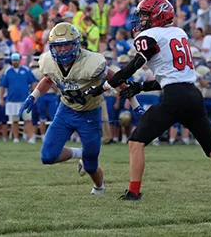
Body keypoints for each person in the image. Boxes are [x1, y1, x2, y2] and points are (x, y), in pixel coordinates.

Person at [85, 0, 211, 202]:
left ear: (157, 16)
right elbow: (170, 78)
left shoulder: (150, 36)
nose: (141, 20)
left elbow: (131, 68)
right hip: (192, 94)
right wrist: (139, 87)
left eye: (144, 16)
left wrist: (104, 87)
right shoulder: (179, 33)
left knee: (135, 141)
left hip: (175, 98)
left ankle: (133, 192)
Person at [20, 22, 129, 195]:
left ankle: (99, 187)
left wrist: (134, 100)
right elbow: (48, 79)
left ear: (76, 44)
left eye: (66, 45)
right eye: (58, 46)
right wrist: (33, 96)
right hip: (66, 110)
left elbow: (114, 77)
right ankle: (80, 153)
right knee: (47, 156)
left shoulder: (91, 62)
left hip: (90, 113)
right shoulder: (49, 61)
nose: (62, 50)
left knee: (91, 164)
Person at [0, 53, 37, 143]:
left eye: (16, 60)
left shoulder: (26, 70)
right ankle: (16, 138)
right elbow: (3, 86)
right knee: (14, 121)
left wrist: (35, 95)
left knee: (28, 120)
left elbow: (33, 83)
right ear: (11, 61)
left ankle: (30, 138)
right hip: (12, 100)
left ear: (20, 60)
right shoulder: (7, 71)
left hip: (25, 99)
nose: (15, 61)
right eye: (13, 60)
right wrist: (1, 98)